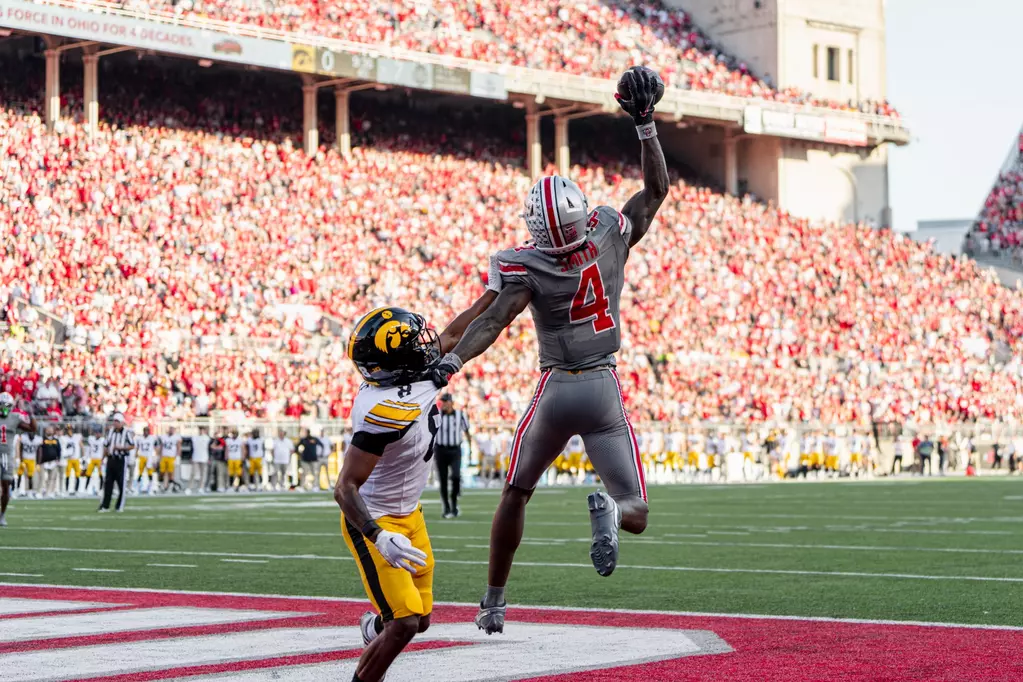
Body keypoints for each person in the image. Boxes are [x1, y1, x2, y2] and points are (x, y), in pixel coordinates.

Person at [427, 66, 668, 635]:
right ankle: (610, 508)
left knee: (515, 494)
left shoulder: (526, 263)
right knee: (635, 513)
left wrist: (451, 363)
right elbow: (655, 192)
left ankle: (492, 603)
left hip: (556, 389)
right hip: (604, 389)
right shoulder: (608, 230)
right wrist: (646, 125)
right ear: (582, 213)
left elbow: (494, 320)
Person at [333, 293, 496, 682]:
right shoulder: (383, 411)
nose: (426, 349)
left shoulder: (408, 374)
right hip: (374, 521)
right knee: (404, 624)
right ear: (397, 365)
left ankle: (375, 629)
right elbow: (344, 487)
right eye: (414, 348)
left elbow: (457, 331)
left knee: (420, 620)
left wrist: (496, 289)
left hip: (412, 515)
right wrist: (378, 536)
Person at [0, 391, 36, 527]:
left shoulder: (14, 417)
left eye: (6, 405)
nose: (4, 408)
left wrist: (30, 414)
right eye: (1, 405)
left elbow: (33, 428)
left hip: (6, 457)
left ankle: (2, 514)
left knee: (6, 484)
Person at [434, 393, 471, 518]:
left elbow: (467, 431)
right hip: (440, 450)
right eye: (442, 401)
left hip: (455, 450)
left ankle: (454, 504)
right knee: (443, 480)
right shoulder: (437, 415)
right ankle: (447, 507)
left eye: (445, 401)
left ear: (451, 402)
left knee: (456, 476)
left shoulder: (460, 415)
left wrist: (470, 449)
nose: (443, 404)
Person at [99, 413, 135, 512]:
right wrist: (102, 459)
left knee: (121, 484)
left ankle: (119, 506)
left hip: (121, 459)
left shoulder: (126, 433)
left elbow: (132, 445)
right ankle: (105, 506)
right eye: (114, 421)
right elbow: (106, 446)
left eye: (117, 421)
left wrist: (122, 447)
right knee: (108, 483)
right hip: (111, 459)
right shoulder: (110, 432)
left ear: (122, 423)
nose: (115, 423)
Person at [16, 429, 42, 498]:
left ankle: (30, 491)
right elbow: (20, 449)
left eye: (32, 432)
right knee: (19, 474)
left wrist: (38, 463)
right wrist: (21, 460)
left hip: (32, 459)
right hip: (24, 458)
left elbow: (39, 451)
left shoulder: (38, 439)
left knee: (30, 476)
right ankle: (17, 490)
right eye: (30, 432)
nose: (31, 434)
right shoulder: (23, 437)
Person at [60, 424, 83, 495]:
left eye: (70, 429)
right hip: (68, 459)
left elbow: (81, 446)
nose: (69, 431)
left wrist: (83, 457)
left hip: (76, 459)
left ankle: (76, 490)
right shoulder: (64, 438)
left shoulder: (77, 437)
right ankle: (67, 490)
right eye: (68, 429)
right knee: (67, 475)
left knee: (77, 475)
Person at [38, 426, 62, 497]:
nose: (49, 431)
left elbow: (59, 450)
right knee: (42, 478)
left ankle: (49, 492)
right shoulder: (42, 439)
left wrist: (58, 459)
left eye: (51, 430)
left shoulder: (56, 440)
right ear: (45, 431)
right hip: (44, 461)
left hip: (53, 462)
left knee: (52, 478)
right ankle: (40, 491)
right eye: (48, 430)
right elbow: (39, 450)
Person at [83, 424, 106, 495]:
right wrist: (86, 458)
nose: (97, 434)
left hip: (99, 459)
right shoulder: (91, 439)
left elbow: (105, 449)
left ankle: (100, 489)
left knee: (101, 475)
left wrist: (103, 459)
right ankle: (86, 489)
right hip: (92, 459)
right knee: (88, 474)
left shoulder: (103, 440)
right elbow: (89, 449)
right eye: (96, 432)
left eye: (98, 432)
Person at [158, 426, 182, 492]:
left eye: (172, 429)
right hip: (164, 456)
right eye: (170, 429)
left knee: (171, 473)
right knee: (161, 472)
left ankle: (170, 487)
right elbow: (161, 447)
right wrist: (159, 456)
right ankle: (161, 486)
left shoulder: (177, 437)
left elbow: (179, 447)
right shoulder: (163, 436)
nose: (171, 430)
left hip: (172, 457)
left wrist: (178, 457)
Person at [135, 425, 158, 494]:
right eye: (145, 431)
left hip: (149, 457)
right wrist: (136, 453)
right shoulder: (139, 438)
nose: (146, 432)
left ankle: (150, 488)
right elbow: (137, 447)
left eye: (147, 431)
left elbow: (156, 447)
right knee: (140, 473)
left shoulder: (152, 438)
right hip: (142, 456)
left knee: (150, 474)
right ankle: (138, 488)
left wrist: (155, 457)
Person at [190, 425, 211, 493]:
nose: (201, 431)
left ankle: (201, 487)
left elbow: (209, 449)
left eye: (202, 430)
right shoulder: (194, 438)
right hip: (195, 457)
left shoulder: (207, 438)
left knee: (203, 474)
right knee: (193, 473)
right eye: (200, 429)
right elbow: (192, 448)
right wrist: (191, 457)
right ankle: (190, 488)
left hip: (204, 457)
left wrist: (209, 458)